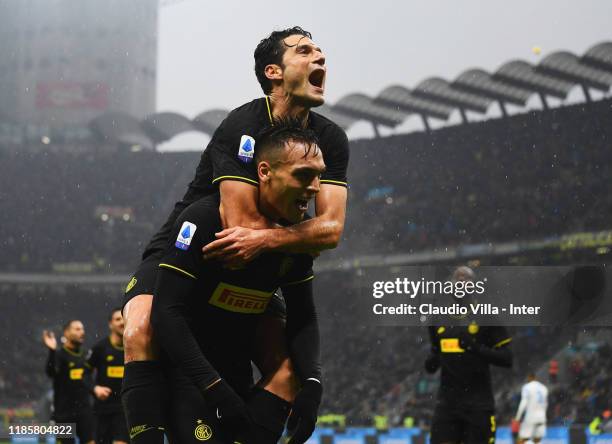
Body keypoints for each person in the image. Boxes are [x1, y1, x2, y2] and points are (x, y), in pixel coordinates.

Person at [121, 26, 349, 443]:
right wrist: (296, 238)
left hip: (258, 255)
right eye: (305, 51)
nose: (320, 58)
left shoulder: (330, 139)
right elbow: (239, 226)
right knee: (140, 327)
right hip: (192, 244)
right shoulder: (243, 123)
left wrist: (271, 241)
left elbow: (331, 230)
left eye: (321, 51)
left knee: (288, 369)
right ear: (274, 72)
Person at [151, 121, 325, 443]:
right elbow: (166, 313)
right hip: (191, 378)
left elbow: (304, 317)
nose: (315, 187)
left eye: (319, 176)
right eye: (303, 175)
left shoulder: (294, 238)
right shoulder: (203, 220)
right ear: (264, 171)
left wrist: (313, 384)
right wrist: (215, 389)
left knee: (290, 374)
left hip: (240, 375)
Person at [424, 266, 513, 444]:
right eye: (458, 278)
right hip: (447, 405)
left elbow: (507, 359)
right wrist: (432, 361)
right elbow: (435, 355)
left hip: (478, 406)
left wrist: (475, 348)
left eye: (466, 279)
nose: (461, 283)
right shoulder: (437, 317)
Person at [43, 320, 95, 444]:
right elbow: (51, 372)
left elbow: (91, 380)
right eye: (77, 329)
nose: (82, 332)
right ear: (66, 332)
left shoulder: (87, 355)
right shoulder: (59, 355)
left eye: (82, 329)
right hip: (63, 414)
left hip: (85, 411)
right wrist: (52, 351)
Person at [88, 308, 129, 444]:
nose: (122, 322)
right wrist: (95, 388)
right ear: (110, 324)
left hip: (125, 409)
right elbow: (83, 374)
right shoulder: (100, 348)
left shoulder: (135, 346)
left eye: (124, 318)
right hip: (102, 410)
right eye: (117, 319)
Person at [515, 372, 548, 444]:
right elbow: (545, 404)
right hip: (542, 417)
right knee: (537, 440)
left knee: (521, 439)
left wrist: (517, 418)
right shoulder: (544, 388)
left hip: (531, 416)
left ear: (529, 378)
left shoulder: (527, 387)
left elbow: (523, 403)